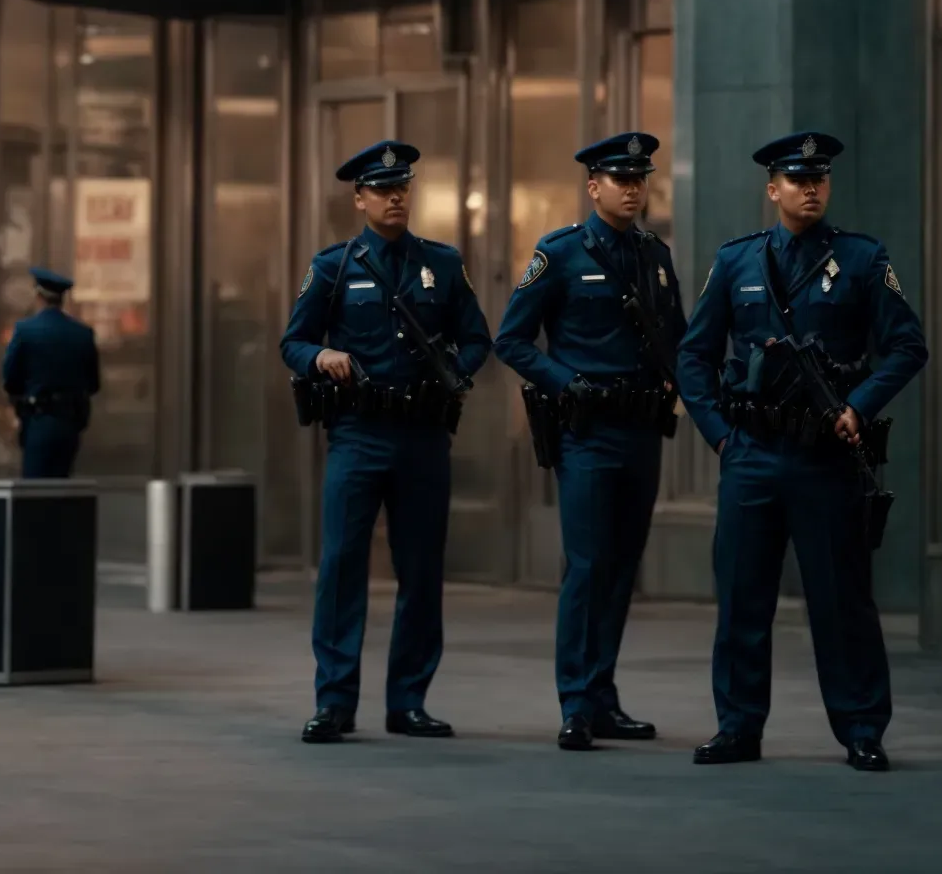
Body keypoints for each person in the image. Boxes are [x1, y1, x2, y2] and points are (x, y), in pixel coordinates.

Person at [675, 131, 928, 772]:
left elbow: (906, 346)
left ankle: (862, 728)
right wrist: (719, 435)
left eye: (818, 177)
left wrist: (858, 405)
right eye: (796, 178)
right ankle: (737, 727)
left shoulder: (864, 260)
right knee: (741, 597)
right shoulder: (737, 263)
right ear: (773, 188)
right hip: (753, 452)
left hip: (826, 457)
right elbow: (694, 355)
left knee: (842, 599)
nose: (809, 187)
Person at [281, 140, 492, 744]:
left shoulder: (443, 264)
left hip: (424, 437)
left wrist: (456, 367)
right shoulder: (334, 267)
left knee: (421, 572)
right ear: (360, 198)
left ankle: (409, 701)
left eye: (402, 188)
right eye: (382, 189)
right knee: (343, 569)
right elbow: (292, 342)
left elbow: (479, 338)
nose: (395, 197)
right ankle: (335, 702)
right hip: (359, 435)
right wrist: (321, 354)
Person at [494, 132, 686, 751]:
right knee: (586, 566)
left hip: (640, 431)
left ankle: (603, 697)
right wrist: (565, 382)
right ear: (593, 186)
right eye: (619, 179)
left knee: (622, 568)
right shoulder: (560, 255)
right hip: (587, 432)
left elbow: (678, 342)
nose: (632, 190)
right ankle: (575, 703)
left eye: (640, 179)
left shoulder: (657, 256)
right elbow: (512, 340)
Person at [0, 267, 101, 478]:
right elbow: (93, 383)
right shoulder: (82, 334)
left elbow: (10, 377)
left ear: (38, 296)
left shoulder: (25, 330)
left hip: (38, 418)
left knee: (36, 488)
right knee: (62, 483)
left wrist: (20, 400)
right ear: (62, 299)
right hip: (70, 422)